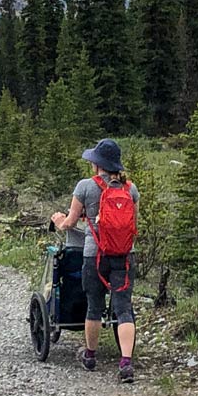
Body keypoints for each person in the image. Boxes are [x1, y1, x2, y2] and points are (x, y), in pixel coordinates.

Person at [51, 139, 139, 383]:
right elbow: (134, 225)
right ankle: (126, 362)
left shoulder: (85, 187)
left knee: (94, 306)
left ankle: (90, 355)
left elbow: (70, 222)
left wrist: (59, 220)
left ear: (97, 164)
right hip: (125, 255)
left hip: (94, 254)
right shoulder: (130, 189)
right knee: (123, 308)